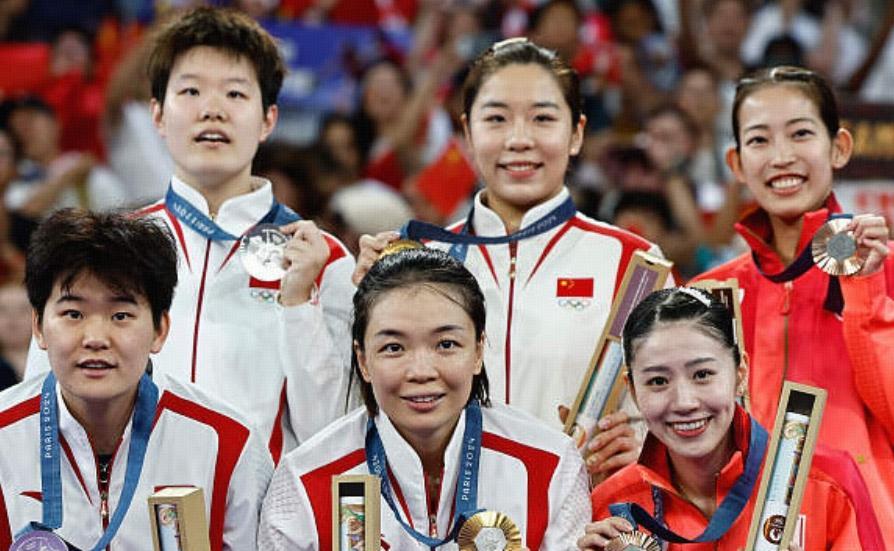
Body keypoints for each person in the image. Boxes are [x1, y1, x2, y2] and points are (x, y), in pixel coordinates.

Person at [25, 7, 356, 463]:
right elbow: (39, 407)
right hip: (126, 504)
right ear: (158, 115)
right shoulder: (102, 252)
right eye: (191, 91)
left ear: (268, 119)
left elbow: (334, 432)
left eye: (235, 93)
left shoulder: (324, 259)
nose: (212, 110)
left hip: (263, 506)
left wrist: (300, 304)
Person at [354, 38, 665, 478]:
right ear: (468, 133)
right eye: (497, 119)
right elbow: (369, 408)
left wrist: (648, 451)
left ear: (577, 133)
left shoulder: (634, 265)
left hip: (585, 513)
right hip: (443, 515)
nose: (519, 139)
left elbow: (674, 408)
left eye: (543, 118)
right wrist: (361, 303)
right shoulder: (419, 264)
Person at [259, 246, 590, 549]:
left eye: (446, 344)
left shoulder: (550, 465)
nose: (421, 371)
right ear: (363, 360)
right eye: (393, 348)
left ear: (478, 351)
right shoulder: (305, 481)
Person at [692, 65, 894, 539]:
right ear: (737, 163)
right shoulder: (707, 294)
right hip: (740, 534)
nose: (781, 157)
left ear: (839, 147)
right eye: (759, 140)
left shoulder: (884, 272)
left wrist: (865, 294)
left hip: (865, 533)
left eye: (800, 133)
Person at [0, 209, 271, 549]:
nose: (95, 338)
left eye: (120, 315)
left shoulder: (227, 442)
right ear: (39, 327)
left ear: (160, 330)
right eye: (73, 313)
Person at [579, 287, 869, 550]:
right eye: (658, 381)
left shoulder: (827, 484)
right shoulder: (612, 505)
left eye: (702, 374)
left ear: (740, 374)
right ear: (632, 389)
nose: (685, 402)